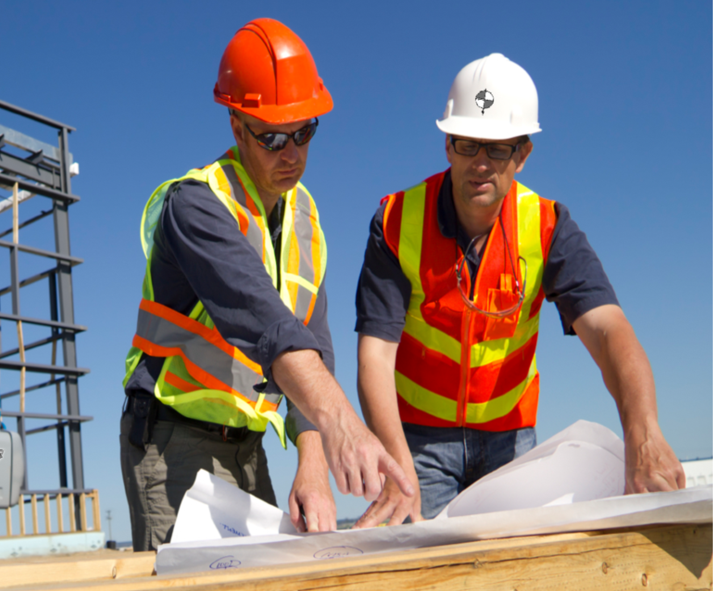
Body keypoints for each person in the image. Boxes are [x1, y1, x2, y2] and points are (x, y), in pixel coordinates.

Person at [352, 53, 686, 528]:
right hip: (416, 441)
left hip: (509, 439)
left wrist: (644, 431)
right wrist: (395, 461)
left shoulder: (549, 226)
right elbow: (374, 358)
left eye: (499, 148)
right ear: (447, 145)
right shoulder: (395, 220)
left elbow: (610, 329)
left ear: (523, 155)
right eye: (468, 144)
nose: (481, 164)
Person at [120, 18, 412, 551]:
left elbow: (313, 345)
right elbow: (268, 324)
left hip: (247, 447)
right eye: (273, 136)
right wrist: (343, 422)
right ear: (236, 127)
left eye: (304, 132)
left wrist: (314, 462)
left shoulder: (305, 218)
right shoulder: (196, 207)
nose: (292, 152)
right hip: (171, 440)